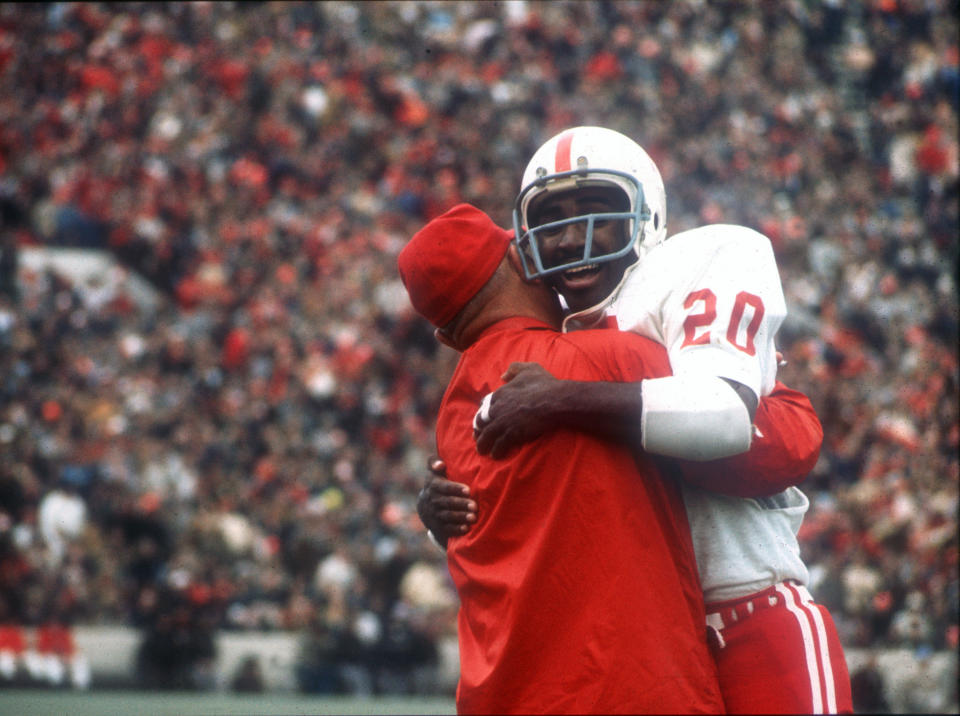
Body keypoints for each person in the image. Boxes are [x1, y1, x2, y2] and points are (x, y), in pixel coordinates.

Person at [421, 127, 852, 714]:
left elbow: (752, 427)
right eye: (555, 217)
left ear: (645, 211)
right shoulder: (554, 343)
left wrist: (564, 401)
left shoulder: (696, 264)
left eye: (597, 209)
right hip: (651, 647)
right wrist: (448, 506)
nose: (575, 236)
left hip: (750, 616)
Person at [397, 203, 725, 714]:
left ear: (446, 335)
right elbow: (741, 419)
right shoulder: (617, 357)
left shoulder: (449, 420)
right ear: (516, 261)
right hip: (633, 691)